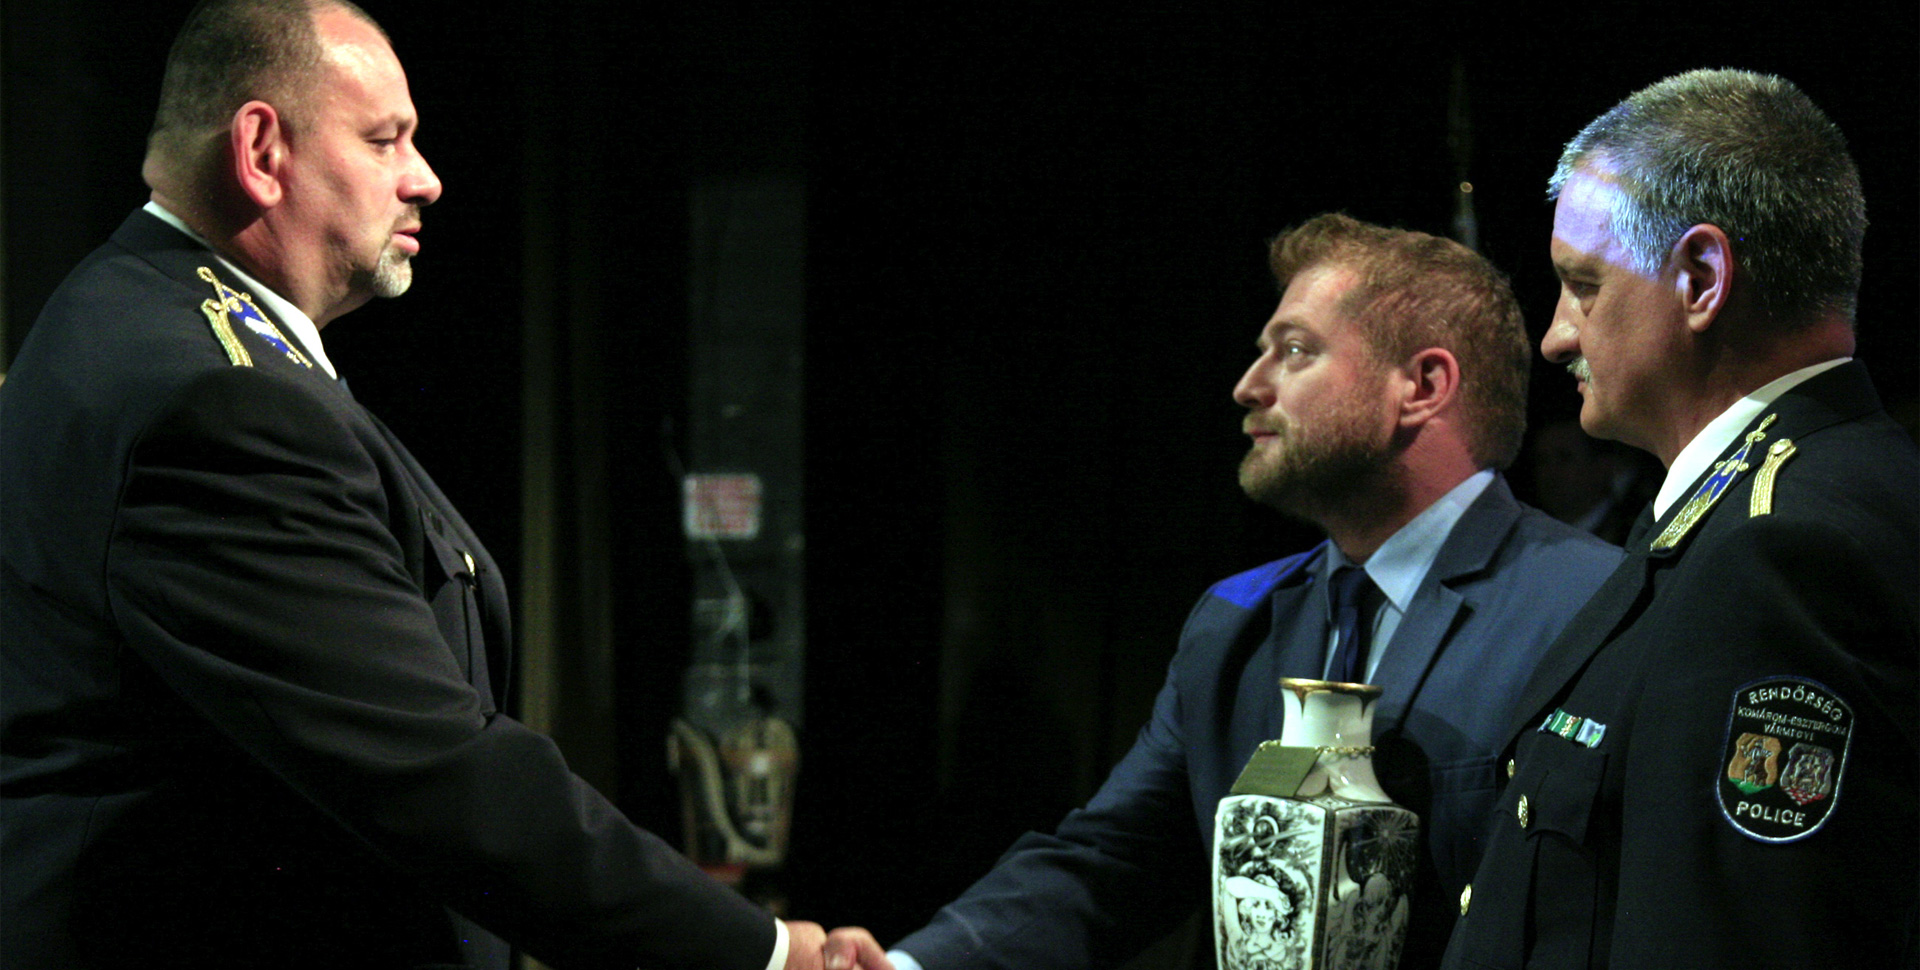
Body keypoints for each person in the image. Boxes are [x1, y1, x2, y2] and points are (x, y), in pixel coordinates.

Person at [0, 2, 850, 967]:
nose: (426, 178)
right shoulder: (214, 400)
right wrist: (761, 953)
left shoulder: (149, 327)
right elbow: (435, 775)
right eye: (384, 140)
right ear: (263, 152)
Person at [825, 213, 1624, 970]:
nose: (1248, 386)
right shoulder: (1235, 623)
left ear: (1422, 384)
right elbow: (1113, 861)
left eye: (1296, 351)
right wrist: (907, 964)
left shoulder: (1591, 607)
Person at [1439, 69, 1917, 970]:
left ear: (1700, 278)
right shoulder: (1768, 506)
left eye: (1582, 284)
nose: (1556, 336)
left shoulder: (1781, 549)